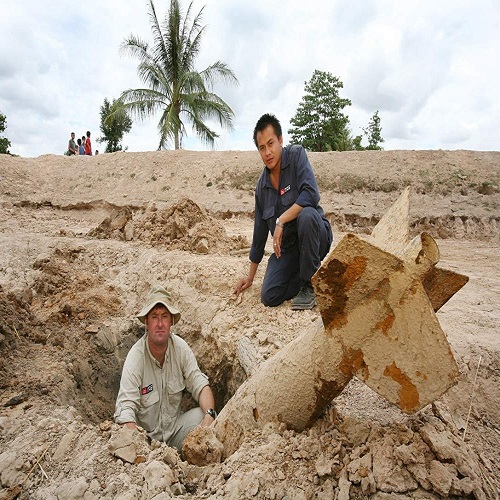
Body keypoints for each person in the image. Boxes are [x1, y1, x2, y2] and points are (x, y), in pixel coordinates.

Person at [234, 113, 333, 310]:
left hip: (315, 236)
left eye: (271, 144)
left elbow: (311, 194)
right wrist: (251, 276)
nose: (267, 152)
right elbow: (259, 234)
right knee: (269, 295)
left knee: (307, 214)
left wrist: (281, 220)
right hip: (290, 250)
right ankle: (313, 276)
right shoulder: (261, 188)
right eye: (262, 148)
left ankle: (309, 286)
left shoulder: (296, 156)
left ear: (280, 140)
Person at [114, 285, 216, 451]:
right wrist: (143, 450)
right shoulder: (136, 358)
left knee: (205, 415)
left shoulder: (181, 349)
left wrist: (208, 420)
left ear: (171, 322)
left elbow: (200, 385)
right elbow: (125, 411)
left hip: (175, 432)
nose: (160, 323)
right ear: (146, 322)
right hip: (145, 440)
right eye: (154, 317)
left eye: (164, 317)